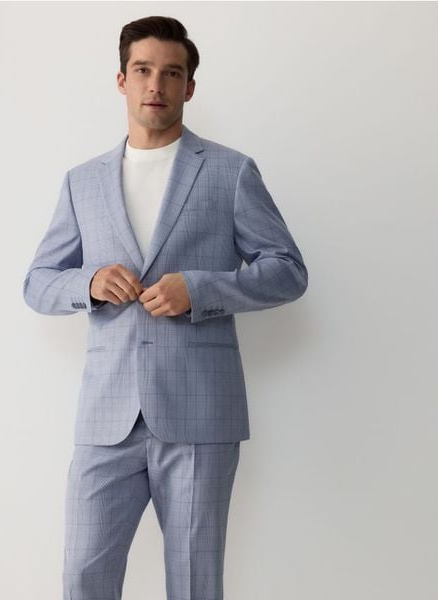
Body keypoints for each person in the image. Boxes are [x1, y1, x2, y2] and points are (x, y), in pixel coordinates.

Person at [23, 15, 308, 600]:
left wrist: (199, 290)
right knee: (83, 577)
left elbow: (288, 271)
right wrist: (90, 281)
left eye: (172, 73)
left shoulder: (231, 171)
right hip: (107, 420)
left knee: (195, 584)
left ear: (189, 87)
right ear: (122, 80)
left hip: (200, 415)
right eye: (143, 70)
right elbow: (38, 283)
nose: (156, 84)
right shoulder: (82, 182)